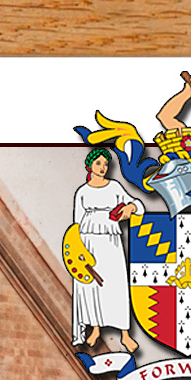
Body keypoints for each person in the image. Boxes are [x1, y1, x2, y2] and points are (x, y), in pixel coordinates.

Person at [70, 146, 143, 354]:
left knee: (116, 285)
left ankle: (125, 334)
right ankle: (95, 329)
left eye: (105, 164)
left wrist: (130, 208)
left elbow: (136, 204)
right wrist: (80, 249)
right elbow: (76, 223)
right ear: (90, 165)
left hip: (110, 241)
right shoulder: (82, 192)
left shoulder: (114, 188)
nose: (102, 167)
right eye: (98, 163)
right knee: (92, 288)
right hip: (89, 241)